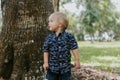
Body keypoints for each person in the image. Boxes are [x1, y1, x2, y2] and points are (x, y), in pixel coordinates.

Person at [42, 12, 80, 80]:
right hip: (52, 69)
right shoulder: (49, 38)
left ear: (60, 24)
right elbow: (45, 50)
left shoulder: (69, 36)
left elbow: (74, 48)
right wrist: (45, 63)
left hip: (65, 69)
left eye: (51, 21)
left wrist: (77, 60)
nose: (49, 23)